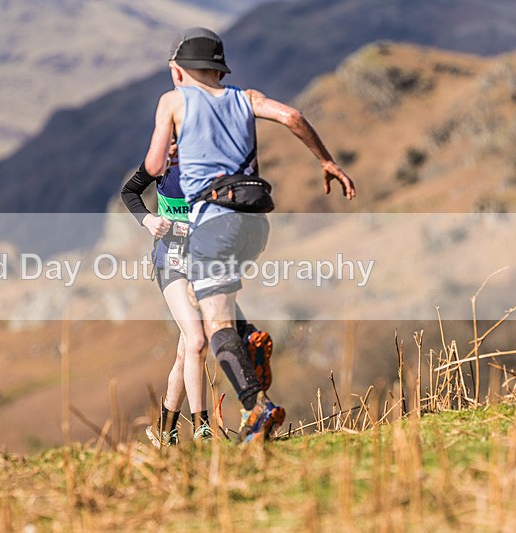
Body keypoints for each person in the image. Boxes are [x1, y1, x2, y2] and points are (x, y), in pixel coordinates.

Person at [144, 27, 356, 442]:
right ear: (220, 70)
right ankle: (249, 337)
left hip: (213, 223)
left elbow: (153, 168)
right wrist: (326, 161)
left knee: (215, 325)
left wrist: (172, 152)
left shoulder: (173, 101)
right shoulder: (247, 98)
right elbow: (293, 117)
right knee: (214, 304)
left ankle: (258, 408)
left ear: (178, 71)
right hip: (254, 224)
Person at [121, 148, 211, 446]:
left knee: (187, 351)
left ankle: (165, 428)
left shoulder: (214, 160)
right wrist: (147, 220)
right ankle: (202, 428)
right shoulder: (160, 161)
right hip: (170, 260)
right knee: (198, 339)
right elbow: (130, 191)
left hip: (204, 262)